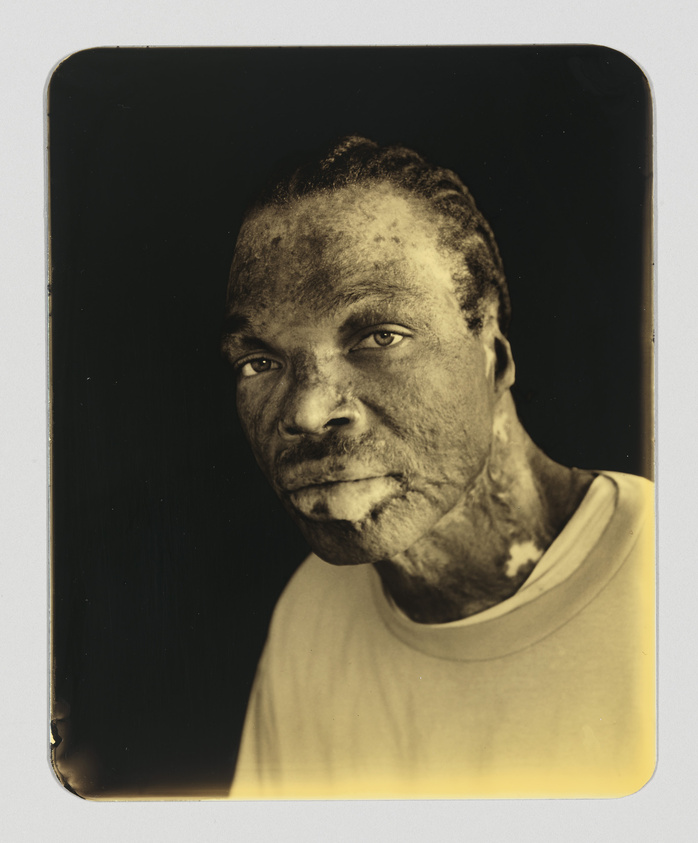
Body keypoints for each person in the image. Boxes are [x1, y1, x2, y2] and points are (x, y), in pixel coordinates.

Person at [221, 136, 654, 799]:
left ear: (495, 353)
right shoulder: (313, 611)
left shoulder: (665, 581)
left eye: (379, 337)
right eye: (260, 362)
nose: (306, 410)